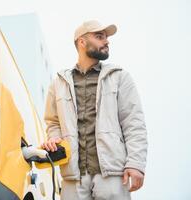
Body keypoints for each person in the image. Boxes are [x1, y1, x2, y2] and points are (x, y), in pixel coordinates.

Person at [41, 20, 148, 200]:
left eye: (106, 38)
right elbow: (53, 122)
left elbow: (134, 123)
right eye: (99, 37)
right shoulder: (58, 83)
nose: (106, 42)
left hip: (113, 175)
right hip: (73, 176)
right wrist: (54, 137)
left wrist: (136, 164)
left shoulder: (120, 77)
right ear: (82, 42)